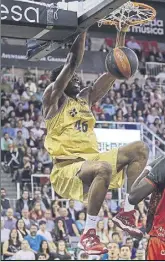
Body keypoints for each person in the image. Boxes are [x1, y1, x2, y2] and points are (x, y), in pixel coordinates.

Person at [42, 28, 149, 254]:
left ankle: (127, 212)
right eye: (73, 78)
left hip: (92, 161)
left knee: (139, 149)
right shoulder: (53, 100)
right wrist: (83, 27)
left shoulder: (84, 99)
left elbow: (112, 72)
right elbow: (71, 63)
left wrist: (120, 40)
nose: (78, 79)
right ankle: (88, 234)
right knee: (103, 167)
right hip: (66, 169)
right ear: (60, 82)